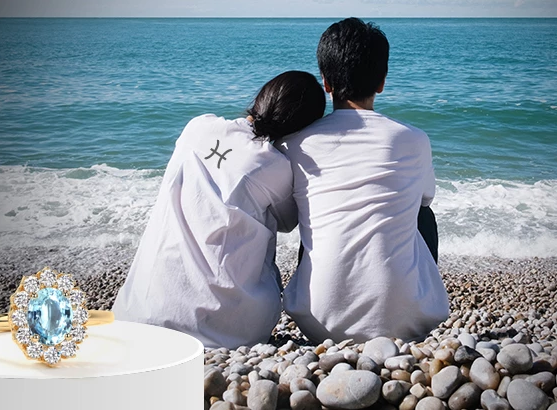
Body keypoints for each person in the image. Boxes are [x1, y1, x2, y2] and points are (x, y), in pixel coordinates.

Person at [112, 71, 326, 349]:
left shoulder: (198, 127)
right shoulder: (274, 166)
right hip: (226, 329)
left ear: (262, 97)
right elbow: (286, 223)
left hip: (140, 312)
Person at [277, 18, 449, 344]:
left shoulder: (296, 143)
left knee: (311, 213)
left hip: (316, 321)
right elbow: (425, 199)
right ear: (382, 81)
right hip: (408, 324)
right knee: (423, 213)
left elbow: (285, 218)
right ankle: (404, 298)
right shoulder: (413, 139)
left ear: (325, 82)